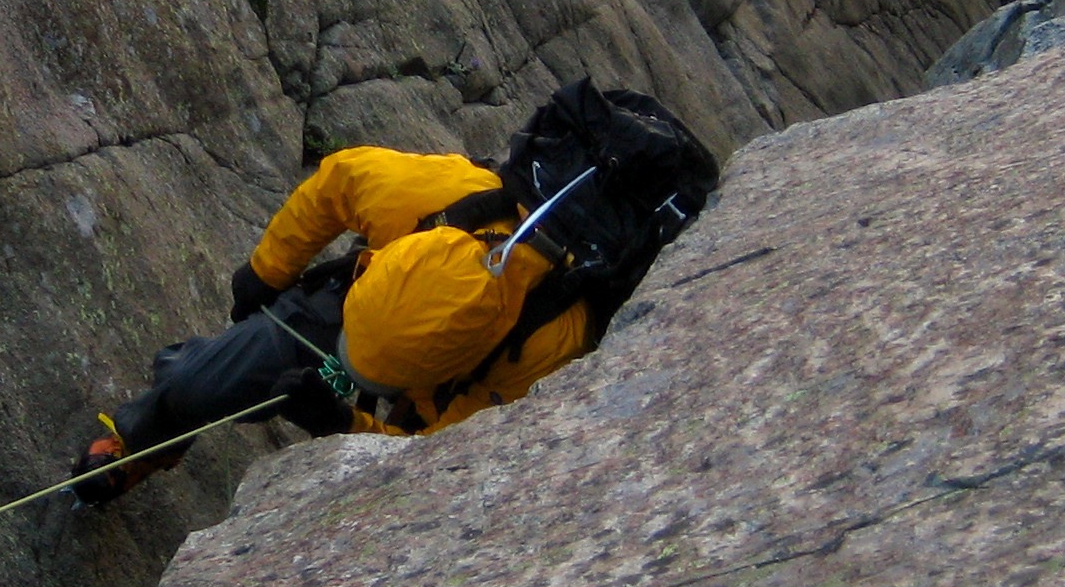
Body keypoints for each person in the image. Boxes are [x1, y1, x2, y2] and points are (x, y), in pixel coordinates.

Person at [72, 83, 721, 501]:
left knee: (386, 494)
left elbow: (443, 456)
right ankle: (150, 428)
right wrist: (267, 273)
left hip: (450, 390)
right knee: (197, 387)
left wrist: (342, 426)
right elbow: (339, 178)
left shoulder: (547, 348)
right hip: (368, 297)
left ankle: (220, 374)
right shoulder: (440, 197)